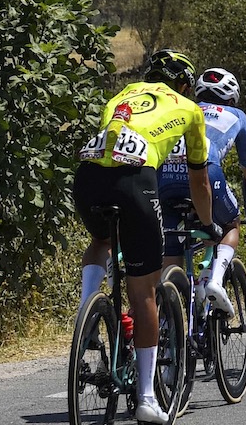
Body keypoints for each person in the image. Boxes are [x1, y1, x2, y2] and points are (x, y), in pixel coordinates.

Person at [74, 51, 214, 423]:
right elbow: (199, 179)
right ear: (184, 84)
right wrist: (208, 222)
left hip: (87, 177)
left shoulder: (121, 95)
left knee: (103, 240)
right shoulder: (189, 108)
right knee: (143, 291)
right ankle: (147, 399)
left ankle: (86, 313)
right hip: (135, 182)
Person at [158, 68, 246, 318]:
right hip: (204, 173)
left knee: (171, 246)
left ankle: (172, 318)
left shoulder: (184, 109)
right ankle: (215, 281)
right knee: (231, 224)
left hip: (164, 175)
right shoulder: (237, 115)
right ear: (232, 98)